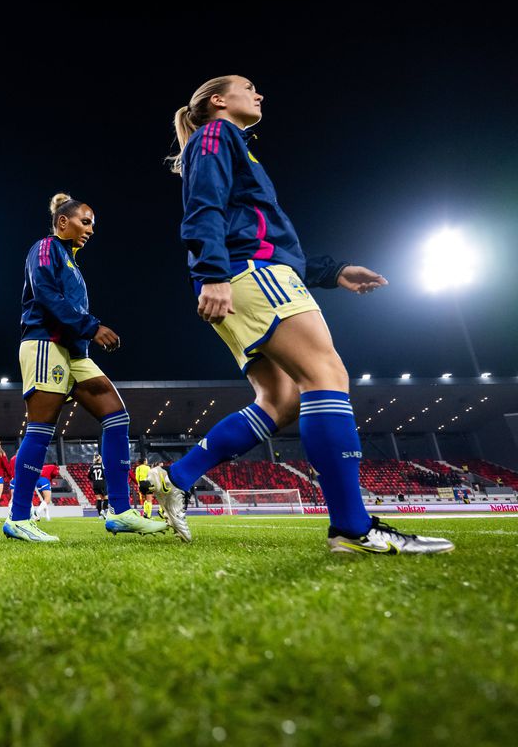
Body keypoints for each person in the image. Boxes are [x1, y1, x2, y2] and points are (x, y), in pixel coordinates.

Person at [161, 75, 452, 554]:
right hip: (247, 273)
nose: (260, 94)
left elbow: (266, 236)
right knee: (326, 376)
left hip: (242, 275)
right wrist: (212, 272)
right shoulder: (219, 135)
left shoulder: (228, 143)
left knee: (279, 399)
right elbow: (203, 209)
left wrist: (332, 271)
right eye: (249, 87)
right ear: (218, 100)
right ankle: (352, 527)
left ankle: (180, 475)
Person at [5, 193, 169, 543]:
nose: (91, 228)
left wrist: (85, 332)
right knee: (41, 428)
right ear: (63, 222)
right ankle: (18, 518)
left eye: (92, 223)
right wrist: (92, 327)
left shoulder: (70, 259)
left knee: (116, 416)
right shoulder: (46, 248)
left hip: (73, 350)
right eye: (85, 220)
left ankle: (121, 512)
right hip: (45, 343)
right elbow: (46, 295)